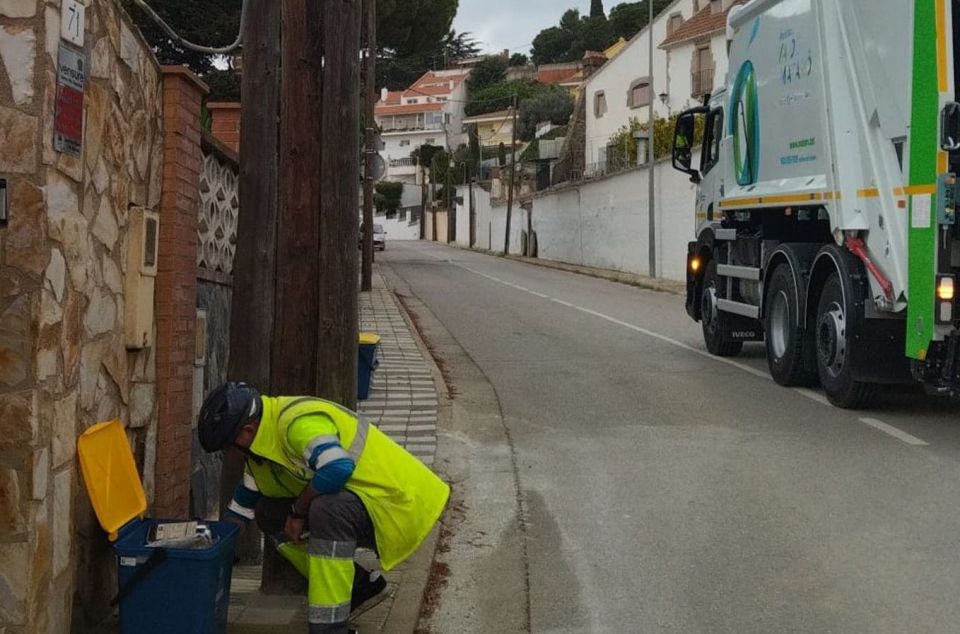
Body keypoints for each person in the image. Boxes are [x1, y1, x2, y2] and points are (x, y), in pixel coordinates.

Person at [198, 382, 450, 634]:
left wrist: (298, 511)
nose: (229, 454)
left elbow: (337, 467)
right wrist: (211, 547)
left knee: (326, 510)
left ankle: (330, 628)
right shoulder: (260, 452)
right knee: (269, 513)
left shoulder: (295, 423)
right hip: (367, 503)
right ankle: (358, 587)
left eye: (228, 446)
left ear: (247, 431)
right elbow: (244, 504)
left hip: (400, 503)